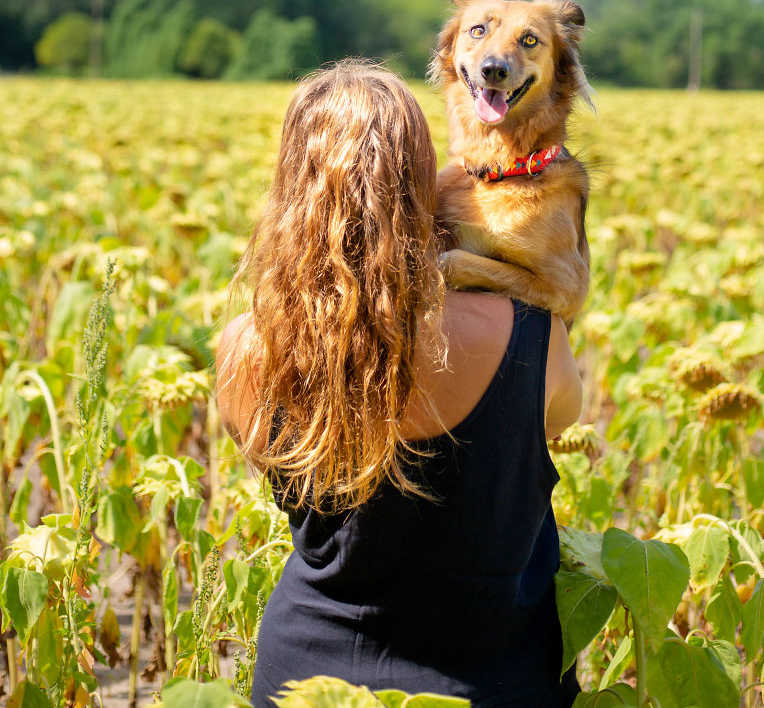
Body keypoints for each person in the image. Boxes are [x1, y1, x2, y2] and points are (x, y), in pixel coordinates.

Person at [216, 61, 583, 707]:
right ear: (427, 180)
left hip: (307, 679)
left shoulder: (247, 346)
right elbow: (550, 425)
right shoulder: (529, 331)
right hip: (491, 678)